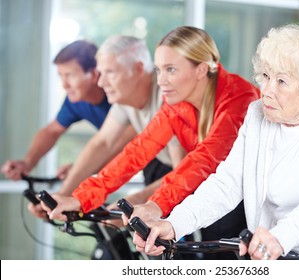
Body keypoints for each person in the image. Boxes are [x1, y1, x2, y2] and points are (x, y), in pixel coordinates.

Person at [132, 24, 299, 260]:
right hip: (278, 256)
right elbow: (227, 183)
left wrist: (281, 236)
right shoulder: (259, 113)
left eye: (281, 81)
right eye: (265, 76)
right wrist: (174, 224)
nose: (266, 90)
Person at [41, 26, 260, 259]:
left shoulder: (239, 98)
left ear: (201, 70)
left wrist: (155, 205)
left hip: (251, 204)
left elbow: (205, 159)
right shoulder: (176, 103)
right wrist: (81, 198)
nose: (161, 80)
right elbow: (137, 151)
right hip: (214, 198)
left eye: (171, 69)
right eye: (158, 70)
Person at [30, 35, 185, 220]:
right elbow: (101, 144)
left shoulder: (168, 98)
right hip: (176, 173)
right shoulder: (125, 99)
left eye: (110, 72)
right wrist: (62, 197)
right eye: (101, 73)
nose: (101, 83)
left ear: (138, 69)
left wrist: (137, 200)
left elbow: (183, 170)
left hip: (210, 178)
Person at [1, 40, 110, 181]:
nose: (64, 85)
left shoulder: (119, 97)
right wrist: (27, 163)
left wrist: (81, 169)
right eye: (61, 76)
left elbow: (117, 146)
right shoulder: (76, 101)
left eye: (70, 75)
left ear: (94, 75)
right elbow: (51, 131)